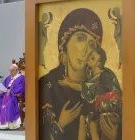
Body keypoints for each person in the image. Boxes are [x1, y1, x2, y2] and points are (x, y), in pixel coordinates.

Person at [39, 8, 105, 140]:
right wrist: (60, 124)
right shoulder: (48, 84)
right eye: (80, 39)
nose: (86, 49)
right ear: (64, 47)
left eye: (92, 44)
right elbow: (41, 132)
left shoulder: (98, 87)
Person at [58, 47, 122, 140]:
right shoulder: (90, 74)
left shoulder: (103, 75)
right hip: (98, 107)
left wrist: (68, 83)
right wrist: (69, 81)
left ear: (99, 64)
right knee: (86, 122)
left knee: (93, 127)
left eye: (93, 58)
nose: (89, 58)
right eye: (90, 55)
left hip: (108, 108)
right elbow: (85, 87)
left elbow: (83, 87)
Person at [0, 64, 25, 131]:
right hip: (5, 96)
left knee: (8, 104)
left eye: (12, 71)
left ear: (17, 70)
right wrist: (0, 92)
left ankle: (9, 125)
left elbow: (21, 89)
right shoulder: (8, 78)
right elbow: (3, 87)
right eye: (10, 71)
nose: (10, 72)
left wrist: (11, 91)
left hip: (14, 97)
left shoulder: (22, 78)